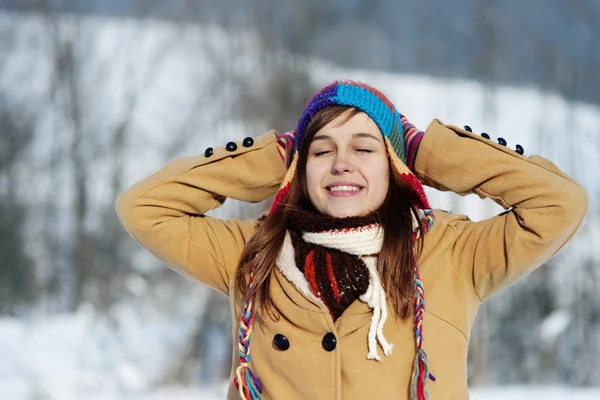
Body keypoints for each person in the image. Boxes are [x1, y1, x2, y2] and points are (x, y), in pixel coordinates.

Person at [115, 80, 588, 400]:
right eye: (322, 150)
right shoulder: (252, 252)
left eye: (365, 148)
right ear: (301, 169)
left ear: (395, 167)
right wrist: (275, 155)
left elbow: (558, 203)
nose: (342, 163)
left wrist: (428, 150)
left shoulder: (451, 252)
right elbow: (144, 208)